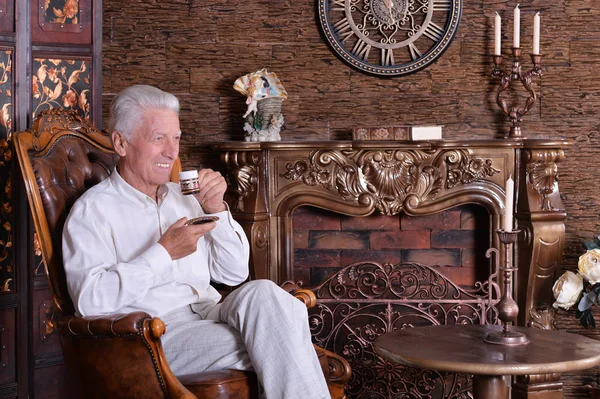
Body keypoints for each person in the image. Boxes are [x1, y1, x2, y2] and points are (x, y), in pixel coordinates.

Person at [62, 85, 330, 398]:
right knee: (283, 335)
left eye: (175, 138)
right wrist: (164, 253)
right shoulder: (93, 211)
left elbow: (233, 274)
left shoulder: (185, 197)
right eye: (158, 138)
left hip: (211, 312)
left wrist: (216, 208)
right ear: (122, 143)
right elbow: (89, 301)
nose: (171, 152)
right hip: (157, 336)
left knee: (268, 296)